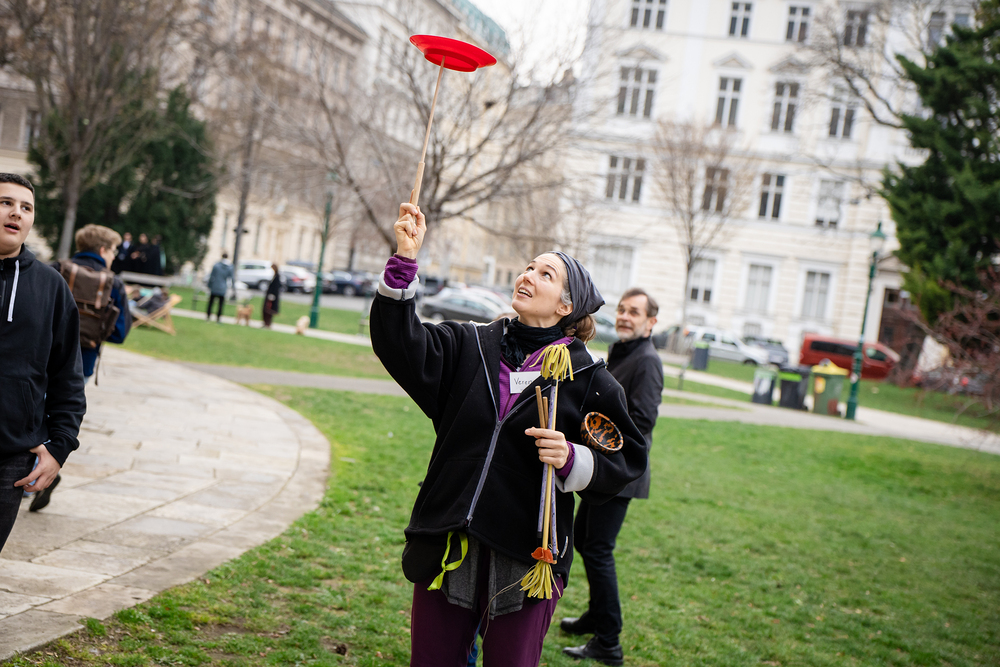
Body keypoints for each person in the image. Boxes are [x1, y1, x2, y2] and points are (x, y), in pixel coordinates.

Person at [369, 202, 647, 667]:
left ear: (565, 306)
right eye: (529, 267)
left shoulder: (588, 378)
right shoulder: (470, 345)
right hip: (449, 540)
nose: (529, 275)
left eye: (545, 274)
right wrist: (404, 260)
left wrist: (573, 457)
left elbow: (628, 459)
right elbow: (400, 343)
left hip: (527, 557)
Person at [561, 287, 664, 665]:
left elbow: (642, 421)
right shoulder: (624, 352)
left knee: (598, 548)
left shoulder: (647, 361)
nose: (624, 316)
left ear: (650, 322)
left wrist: (596, 436)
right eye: (622, 309)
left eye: (634, 312)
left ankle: (609, 641)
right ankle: (596, 615)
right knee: (586, 541)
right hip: (603, 469)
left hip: (621, 474)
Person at [0, 173, 86, 551]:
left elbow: (68, 376)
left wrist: (59, 449)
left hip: (11, 457)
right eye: (5, 202)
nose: (16, 212)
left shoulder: (52, 287)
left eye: (26, 207)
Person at [205, 253, 234, 322]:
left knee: (211, 303)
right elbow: (231, 278)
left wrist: (209, 285)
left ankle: (208, 317)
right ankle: (218, 318)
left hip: (214, 286)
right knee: (221, 304)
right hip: (223, 288)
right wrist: (233, 288)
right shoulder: (230, 267)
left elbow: (211, 276)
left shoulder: (216, 265)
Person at [262, 263, 281, 328]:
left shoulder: (277, 277)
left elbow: (276, 287)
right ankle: (265, 322)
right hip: (269, 295)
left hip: (272, 296)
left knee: (269, 310)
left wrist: (272, 295)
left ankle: (268, 323)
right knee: (266, 309)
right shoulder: (274, 276)